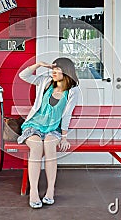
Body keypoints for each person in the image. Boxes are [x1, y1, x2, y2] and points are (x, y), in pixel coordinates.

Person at [17, 57, 79, 209]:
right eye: (53, 69)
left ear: (67, 72)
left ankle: (50, 190)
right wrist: (39, 65)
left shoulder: (72, 91)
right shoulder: (45, 82)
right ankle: (34, 191)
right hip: (34, 126)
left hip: (53, 129)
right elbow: (23, 76)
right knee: (37, 147)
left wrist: (64, 137)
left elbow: (67, 114)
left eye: (58, 69)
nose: (54, 72)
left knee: (50, 146)